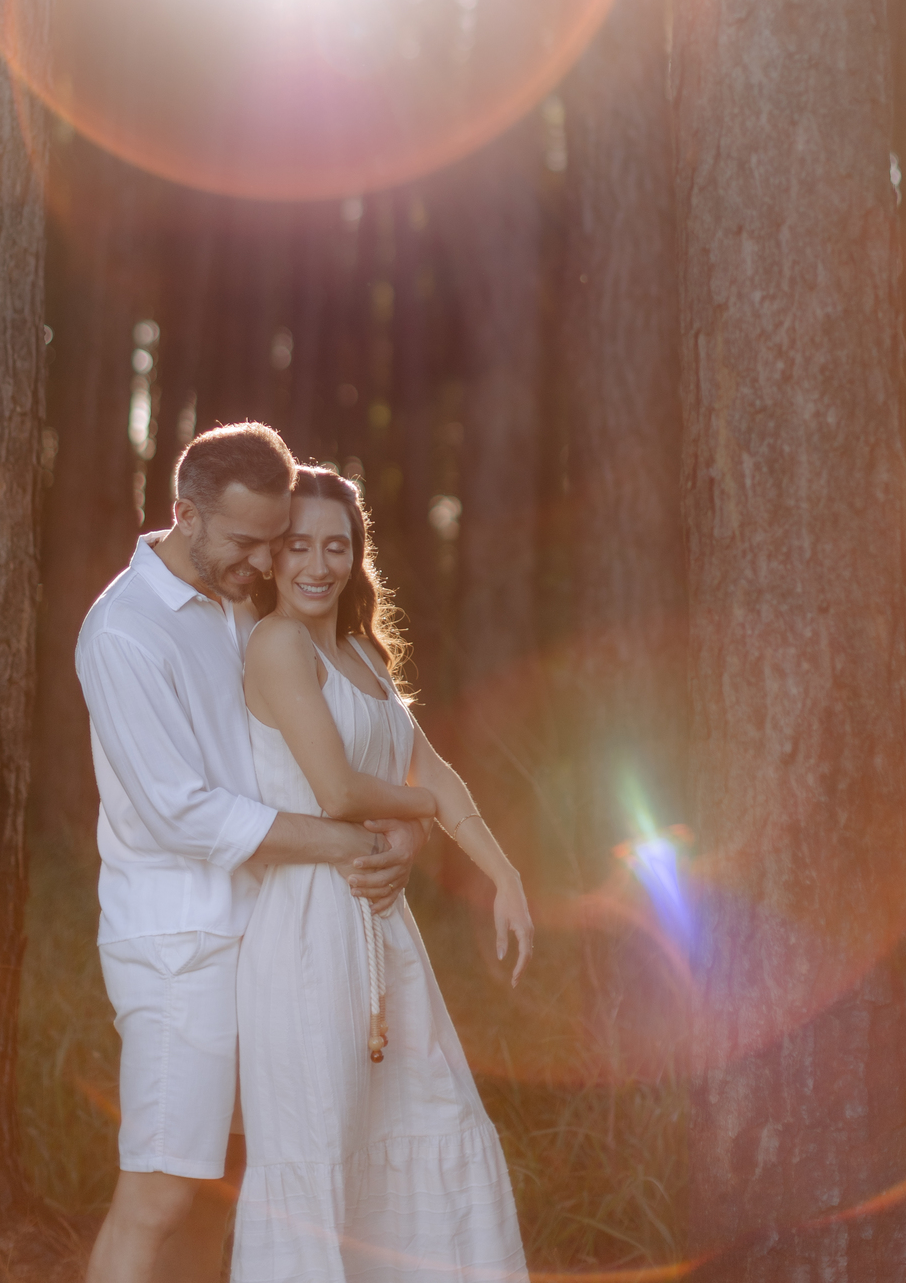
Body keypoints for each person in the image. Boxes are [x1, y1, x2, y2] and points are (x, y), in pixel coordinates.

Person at [77, 424, 426, 1283]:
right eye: (244, 541)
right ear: (183, 513)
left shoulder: (246, 605)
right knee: (158, 1192)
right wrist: (349, 840)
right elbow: (179, 813)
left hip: (269, 937)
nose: (262, 560)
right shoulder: (125, 632)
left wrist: (404, 830)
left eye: (273, 540)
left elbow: (342, 750)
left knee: (222, 1186)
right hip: (179, 947)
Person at [232, 465, 533, 1283]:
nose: (317, 565)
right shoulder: (277, 643)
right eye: (298, 546)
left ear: (357, 556)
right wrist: (412, 822)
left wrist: (502, 874)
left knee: (431, 1118)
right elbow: (335, 790)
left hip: (381, 930)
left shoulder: (364, 654)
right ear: (273, 556)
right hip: (304, 934)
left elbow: (429, 771)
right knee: (320, 1157)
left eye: (337, 546)